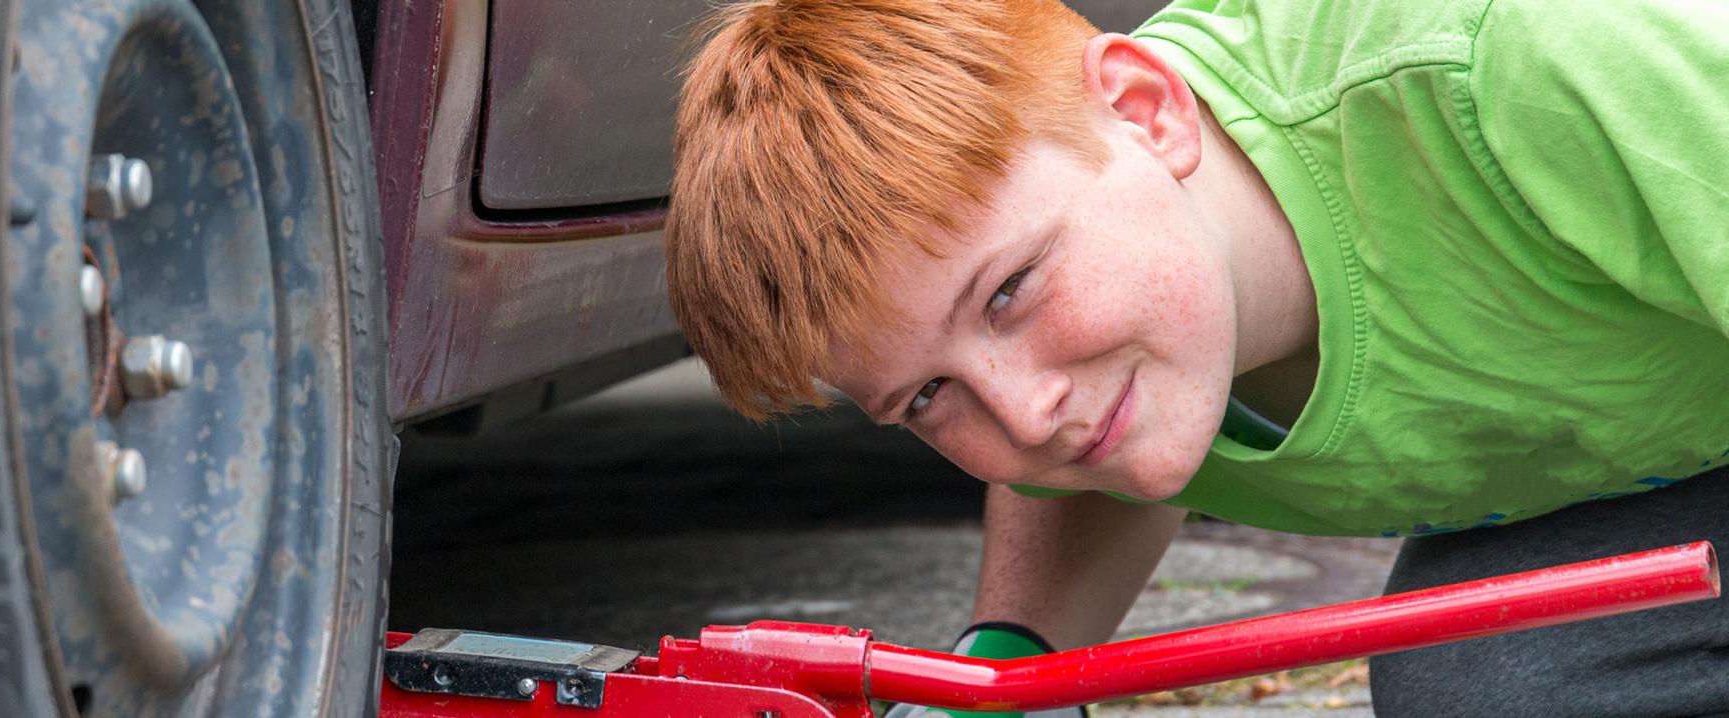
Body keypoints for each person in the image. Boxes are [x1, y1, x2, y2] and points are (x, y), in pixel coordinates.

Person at [662, 0, 1729, 715]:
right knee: (1481, 681)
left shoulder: (1512, 64)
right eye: (930, 395)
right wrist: (1011, 670)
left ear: (1146, 111)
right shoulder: (1125, 335)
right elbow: (1080, 472)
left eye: (1009, 292)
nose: (1027, 416)